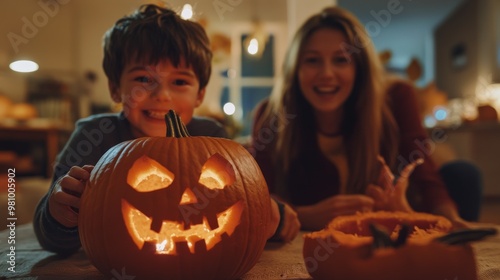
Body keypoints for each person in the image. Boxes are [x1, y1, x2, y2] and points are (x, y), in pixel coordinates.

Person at [33, 4, 298, 256]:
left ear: (200, 95)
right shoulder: (94, 137)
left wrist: (275, 216)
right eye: (143, 79)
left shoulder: (213, 137)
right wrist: (61, 215)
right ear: (115, 87)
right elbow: (52, 240)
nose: (162, 95)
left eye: (180, 81)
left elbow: (247, 202)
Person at [249, 6, 481, 231]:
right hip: (314, 241)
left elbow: (424, 173)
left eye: (341, 60)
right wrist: (305, 215)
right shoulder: (271, 116)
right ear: (295, 69)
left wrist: (450, 220)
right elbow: (256, 196)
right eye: (312, 60)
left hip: (392, 229)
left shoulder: (396, 98)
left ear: (359, 67)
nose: (327, 73)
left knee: (463, 174)